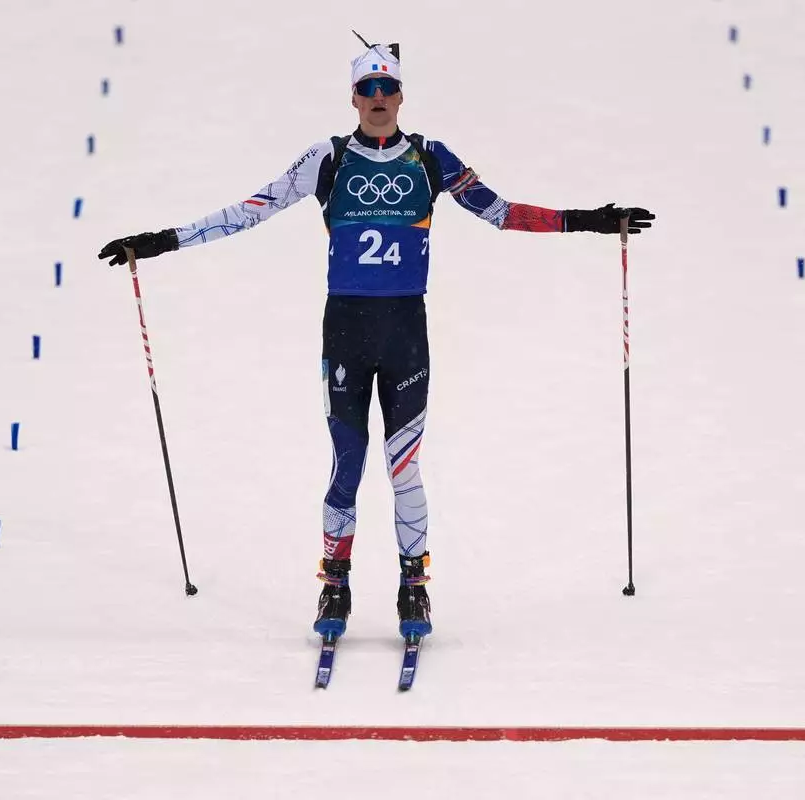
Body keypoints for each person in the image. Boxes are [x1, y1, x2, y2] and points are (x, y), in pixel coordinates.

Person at [98, 38, 655, 644]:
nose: (379, 98)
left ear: (401, 95)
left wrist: (589, 220)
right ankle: (334, 582)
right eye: (368, 89)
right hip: (345, 331)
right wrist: (162, 240)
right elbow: (248, 211)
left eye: (388, 88)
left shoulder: (430, 158)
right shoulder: (327, 159)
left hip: (404, 333)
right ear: (353, 97)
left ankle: (413, 584)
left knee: (405, 470)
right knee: (347, 466)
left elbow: (500, 213)